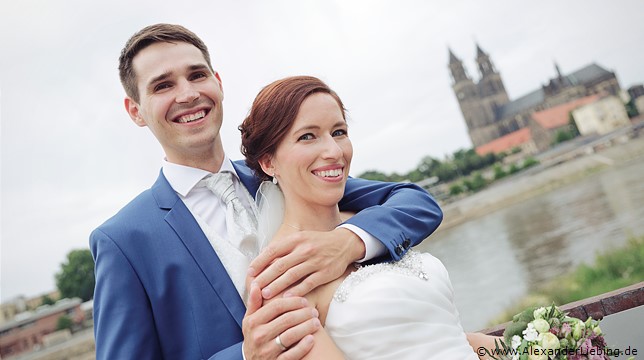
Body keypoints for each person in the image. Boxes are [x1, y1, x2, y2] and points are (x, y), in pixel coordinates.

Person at [90, 23, 443, 360]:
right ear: (135, 110)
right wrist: (246, 355)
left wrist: (347, 243)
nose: (188, 93)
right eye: (163, 85)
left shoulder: (283, 172)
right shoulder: (123, 242)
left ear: (218, 82)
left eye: (197, 75)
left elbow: (416, 202)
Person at [240, 75, 499, 359]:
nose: (334, 151)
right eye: (307, 136)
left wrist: (532, 346)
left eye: (339, 132)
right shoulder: (279, 274)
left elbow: (445, 339)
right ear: (268, 162)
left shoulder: (373, 223)